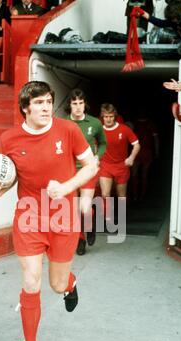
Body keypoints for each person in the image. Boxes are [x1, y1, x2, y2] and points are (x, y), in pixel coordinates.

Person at [0, 81, 98, 341]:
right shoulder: (9, 139)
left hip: (63, 217)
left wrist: (67, 187)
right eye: (39, 103)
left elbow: (91, 166)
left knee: (55, 284)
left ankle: (69, 284)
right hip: (29, 217)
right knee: (31, 281)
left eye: (48, 102)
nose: (46, 108)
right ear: (25, 108)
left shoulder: (68, 130)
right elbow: (8, 183)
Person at [65, 89, 107, 256]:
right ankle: (80, 239)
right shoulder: (63, 123)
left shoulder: (95, 123)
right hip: (69, 171)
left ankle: (90, 227)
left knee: (85, 207)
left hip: (88, 169)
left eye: (80, 103)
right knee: (74, 209)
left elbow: (103, 143)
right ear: (70, 105)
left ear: (85, 104)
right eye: (74, 103)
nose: (77, 107)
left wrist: (97, 156)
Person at [99, 103, 140, 214]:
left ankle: (121, 220)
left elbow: (136, 144)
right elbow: (92, 145)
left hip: (121, 166)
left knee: (121, 196)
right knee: (105, 194)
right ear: (102, 116)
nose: (108, 119)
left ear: (115, 116)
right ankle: (108, 219)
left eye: (111, 116)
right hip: (105, 165)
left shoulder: (124, 129)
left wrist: (131, 157)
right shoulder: (99, 130)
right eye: (106, 116)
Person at [131, 107, 159, 201]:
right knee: (141, 175)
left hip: (143, 152)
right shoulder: (135, 124)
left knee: (139, 175)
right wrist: (157, 152)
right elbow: (156, 140)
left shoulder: (139, 124)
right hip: (139, 153)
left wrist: (156, 151)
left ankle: (139, 196)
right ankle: (138, 196)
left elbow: (155, 139)